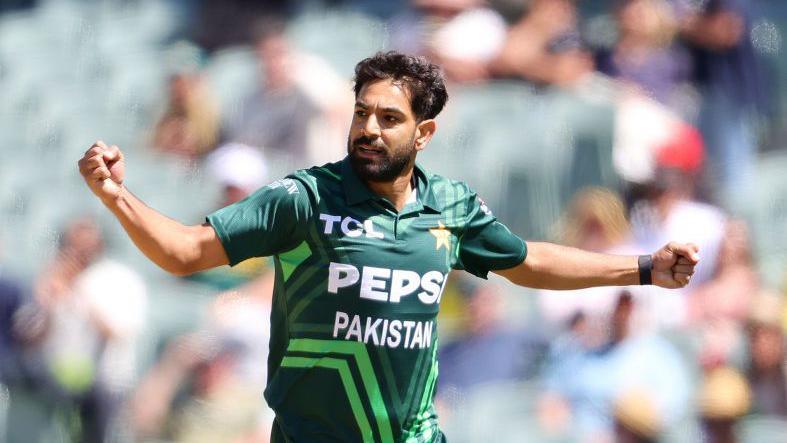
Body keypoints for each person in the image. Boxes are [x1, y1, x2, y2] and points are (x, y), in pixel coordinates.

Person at [77, 51, 699, 442]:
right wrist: (116, 197)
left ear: (425, 132)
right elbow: (186, 252)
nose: (369, 128)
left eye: (389, 118)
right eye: (361, 113)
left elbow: (528, 261)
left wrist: (644, 268)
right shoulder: (304, 199)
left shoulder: (450, 206)